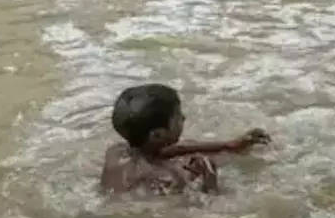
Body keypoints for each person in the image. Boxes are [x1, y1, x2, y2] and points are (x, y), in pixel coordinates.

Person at [100, 83, 270, 195]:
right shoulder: (165, 178)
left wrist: (229, 145)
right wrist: (209, 178)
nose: (184, 118)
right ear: (157, 134)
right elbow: (205, 213)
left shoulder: (116, 152)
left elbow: (174, 150)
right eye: (177, 116)